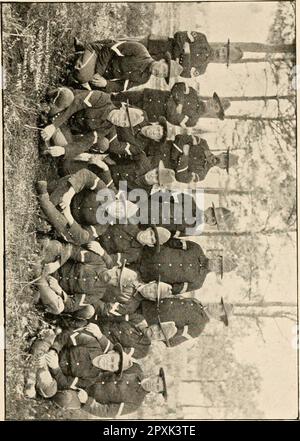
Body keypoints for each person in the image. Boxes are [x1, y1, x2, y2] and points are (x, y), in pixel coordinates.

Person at [34, 238, 141, 317]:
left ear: (114, 286)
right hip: (54, 264)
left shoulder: (98, 293)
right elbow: (70, 250)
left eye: (116, 281)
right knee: (57, 247)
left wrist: (58, 290)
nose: (112, 277)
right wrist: (57, 264)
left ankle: (38, 275)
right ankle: (38, 275)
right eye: (117, 274)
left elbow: (71, 305)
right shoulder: (98, 261)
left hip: (51, 286)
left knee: (59, 307)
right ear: (115, 268)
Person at [25, 323, 133, 400]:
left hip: (51, 369)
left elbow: (65, 383)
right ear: (111, 352)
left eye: (112, 366)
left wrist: (55, 368)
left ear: (111, 371)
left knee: (49, 391)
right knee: (49, 337)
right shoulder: (92, 343)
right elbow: (66, 336)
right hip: (52, 349)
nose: (108, 363)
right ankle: (31, 377)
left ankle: (33, 366)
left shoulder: (91, 378)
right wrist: (53, 351)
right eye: (112, 359)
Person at [109, 295, 234, 347]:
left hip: (142, 324)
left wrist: (150, 329)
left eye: (220, 309)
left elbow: (171, 341)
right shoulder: (195, 303)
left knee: (109, 323)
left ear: (218, 318)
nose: (216, 305)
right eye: (219, 304)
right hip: (143, 304)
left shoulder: (198, 327)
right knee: (108, 308)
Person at [51, 364, 168, 418]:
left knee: (64, 398)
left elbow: (107, 412)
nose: (154, 384)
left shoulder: (135, 403)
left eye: (157, 387)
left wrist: (87, 401)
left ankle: (45, 390)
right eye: (157, 381)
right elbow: (107, 362)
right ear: (155, 376)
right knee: (64, 365)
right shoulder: (135, 368)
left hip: (83, 396)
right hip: (87, 376)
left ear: (156, 392)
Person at [72, 38, 183, 91]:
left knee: (92, 94)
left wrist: (106, 83)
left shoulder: (144, 79)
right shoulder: (140, 50)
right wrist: (99, 73)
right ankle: (83, 51)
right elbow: (109, 48)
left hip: (101, 76)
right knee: (82, 75)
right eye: (163, 69)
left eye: (163, 75)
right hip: (99, 54)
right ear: (162, 61)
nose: (159, 73)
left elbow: (121, 86)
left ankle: (82, 62)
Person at [138, 238, 237, 294]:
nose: (216, 264)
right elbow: (170, 242)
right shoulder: (196, 248)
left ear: (218, 272)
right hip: (144, 252)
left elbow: (172, 289)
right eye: (219, 261)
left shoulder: (198, 282)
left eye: (219, 268)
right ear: (217, 256)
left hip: (144, 276)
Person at [113, 84, 229, 127]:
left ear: (215, 114)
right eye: (214, 100)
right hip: (148, 95)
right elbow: (178, 87)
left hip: (148, 112)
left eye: (215, 107)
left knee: (117, 111)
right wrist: (179, 103)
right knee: (116, 97)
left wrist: (172, 99)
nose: (211, 103)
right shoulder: (193, 93)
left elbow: (172, 117)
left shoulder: (193, 121)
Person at [138, 32, 243, 77]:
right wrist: (180, 59)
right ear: (222, 46)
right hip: (156, 45)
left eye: (224, 57)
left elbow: (182, 73)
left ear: (222, 62)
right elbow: (179, 35)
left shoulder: (201, 69)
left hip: (153, 65)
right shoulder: (201, 38)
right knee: (127, 46)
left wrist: (186, 52)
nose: (220, 54)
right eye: (224, 51)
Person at [146, 133, 239, 183]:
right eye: (225, 157)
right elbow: (180, 138)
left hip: (154, 167)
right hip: (156, 146)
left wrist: (184, 154)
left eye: (224, 163)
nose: (222, 160)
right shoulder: (202, 143)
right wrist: (177, 159)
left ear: (222, 168)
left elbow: (180, 177)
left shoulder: (201, 175)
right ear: (222, 153)